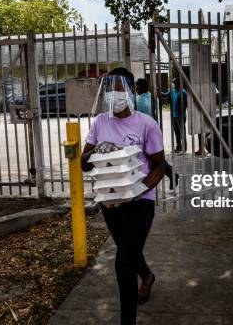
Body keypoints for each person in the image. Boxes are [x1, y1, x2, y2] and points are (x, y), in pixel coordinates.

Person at [82, 67, 165, 325]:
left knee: (123, 264)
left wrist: (140, 190)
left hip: (141, 202)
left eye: (118, 91)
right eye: (109, 91)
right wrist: (93, 155)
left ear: (130, 92)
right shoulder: (100, 123)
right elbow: (84, 163)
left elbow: (160, 165)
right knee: (127, 250)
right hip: (111, 202)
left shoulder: (146, 124)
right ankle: (148, 276)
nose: (113, 97)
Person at [135, 78, 179, 190]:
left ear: (141, 88)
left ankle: (169, 173)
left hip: (144, 133)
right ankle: (170, 173)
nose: (136, 89)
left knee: (152, 159)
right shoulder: (153, 97)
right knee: (154, 157)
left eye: (137, 87)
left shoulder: (139, 100)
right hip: (155, 130)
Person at [162, 76, 187, 154]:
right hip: (174, 116)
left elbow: (185, 105)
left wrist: (181, 116)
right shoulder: (173, 91)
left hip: (180, 116)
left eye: (174, 83)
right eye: (173, 83)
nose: (173, 84)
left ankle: (184, 149)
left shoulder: (183, 92)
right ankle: (178, 147)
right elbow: (165, 95)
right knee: (176, 132)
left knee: (182, 132)